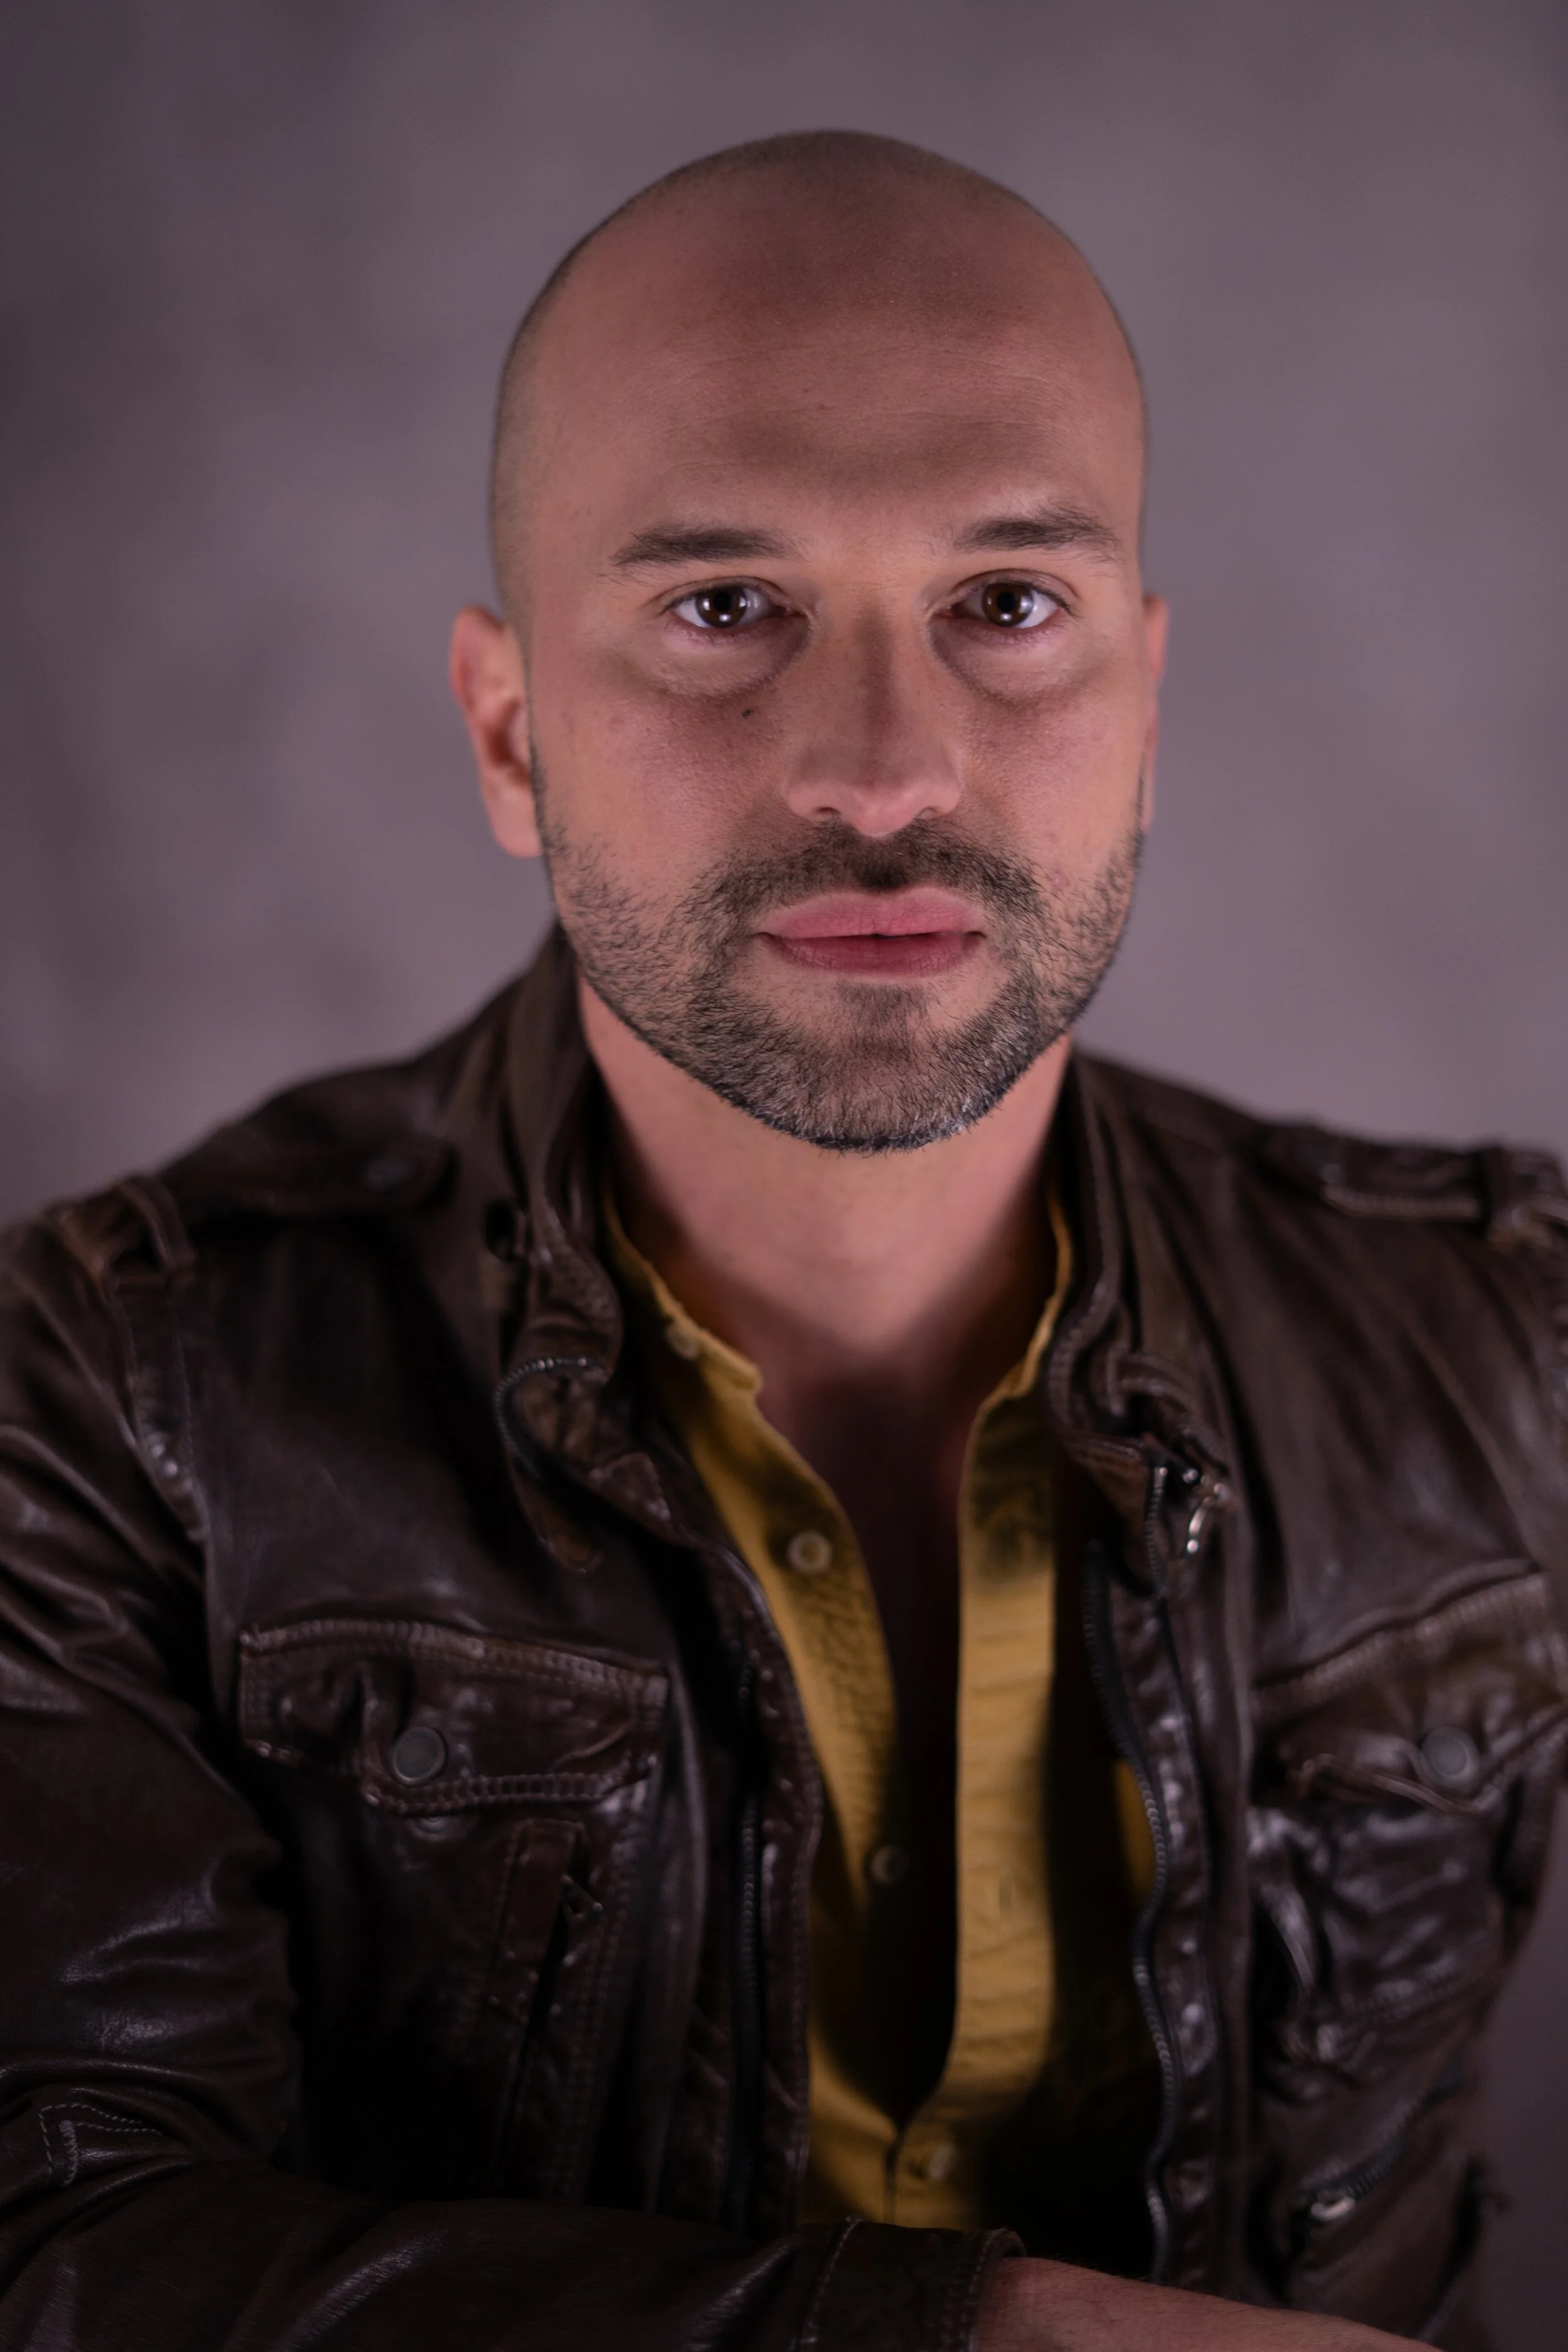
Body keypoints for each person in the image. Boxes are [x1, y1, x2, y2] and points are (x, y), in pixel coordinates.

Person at [0, 129, 1562, 2352]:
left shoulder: (1509, 1331)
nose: (882, 764)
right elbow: (62, 2257)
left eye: (1005, 605)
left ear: (1144, 706)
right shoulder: (106, 1395)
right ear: (512, 727)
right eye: (725, 605)